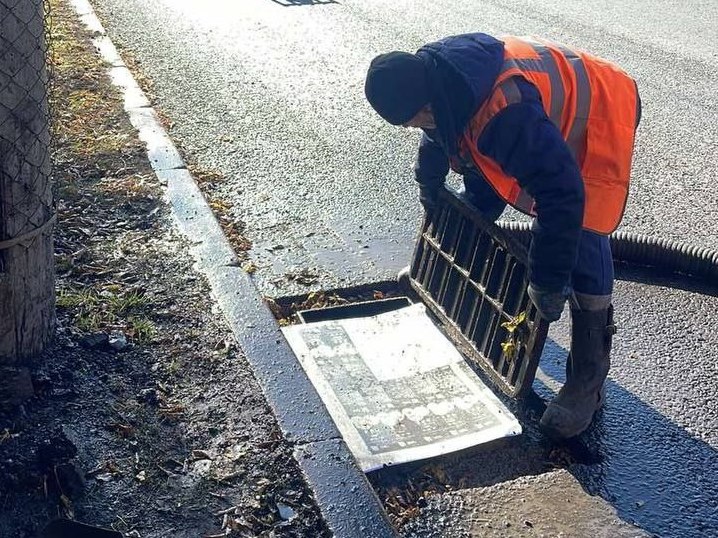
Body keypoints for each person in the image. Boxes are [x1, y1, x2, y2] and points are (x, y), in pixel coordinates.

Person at [364, 33, 640, 439]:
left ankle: (588, 378)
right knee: (478, 191)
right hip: (533, 118)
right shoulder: (439, 81)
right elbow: (438, 135)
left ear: (425, 105)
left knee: (582, 232)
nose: (415, 129)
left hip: (599, 112)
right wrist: (430, 183)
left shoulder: (503, 112)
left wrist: (547, 284)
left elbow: (560, 195)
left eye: (413, 121)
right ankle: (446, 284)